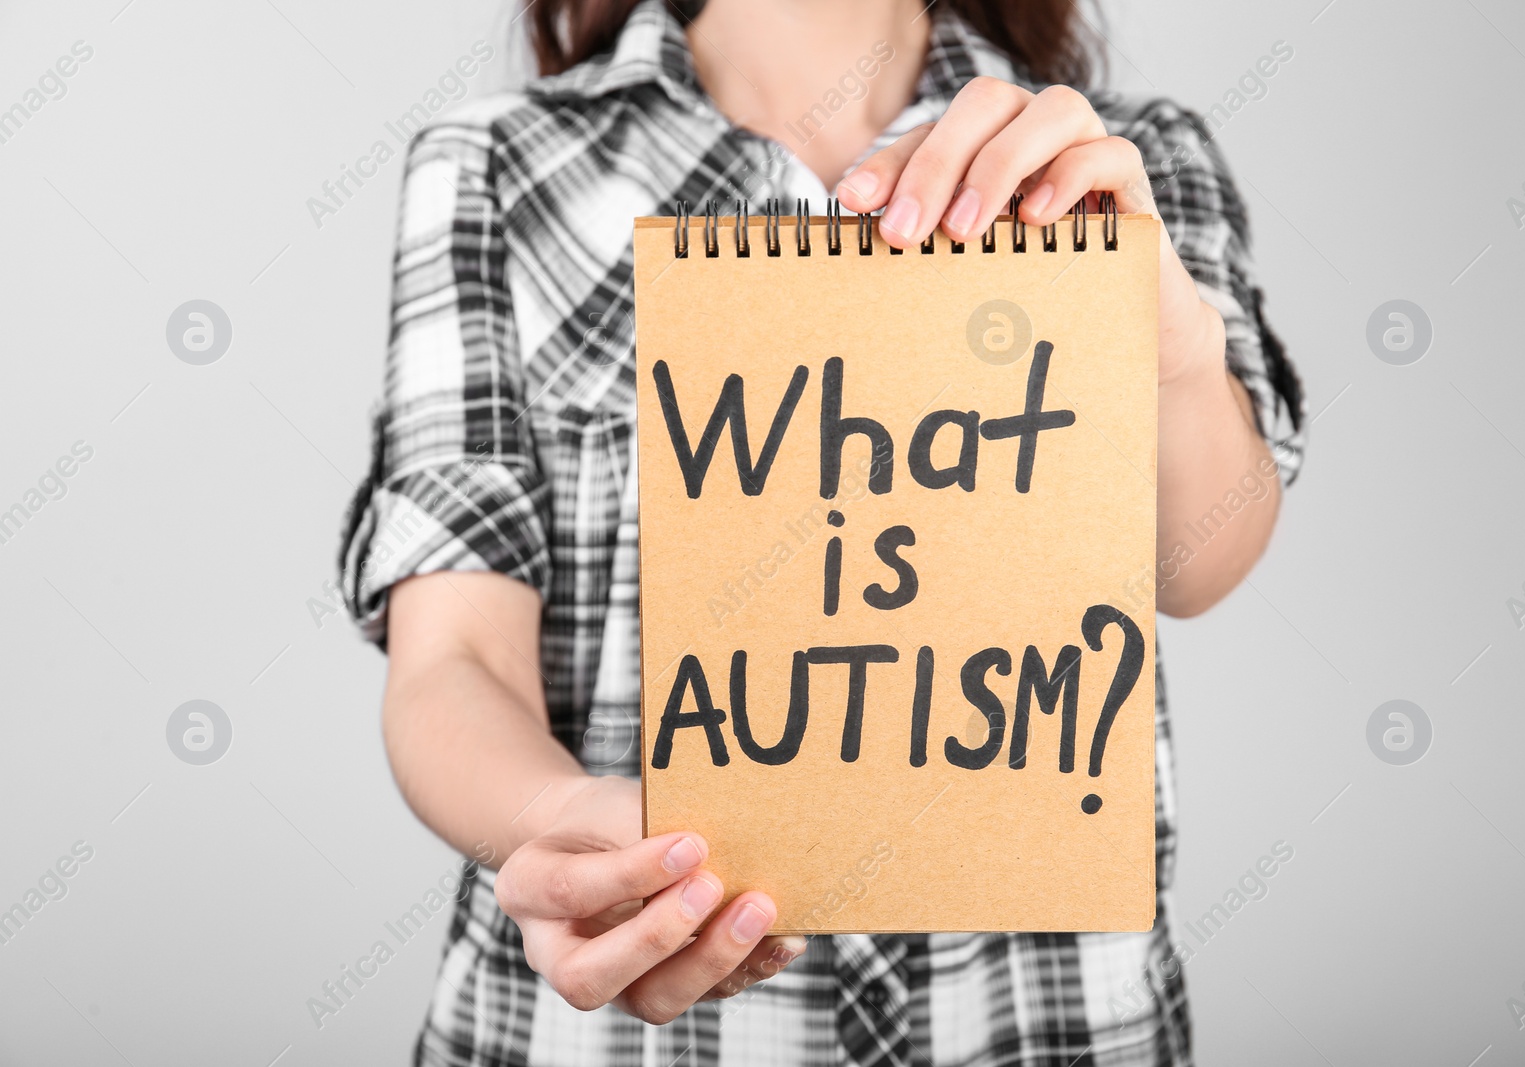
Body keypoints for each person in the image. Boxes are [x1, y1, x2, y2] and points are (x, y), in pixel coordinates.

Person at [337, 0, 1305, 1062]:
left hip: (1036, 1015)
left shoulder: (1124, 155)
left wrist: (1163, 343)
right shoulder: (493, 165)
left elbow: (1200, 556)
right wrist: (565, 825)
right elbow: (453, 654)